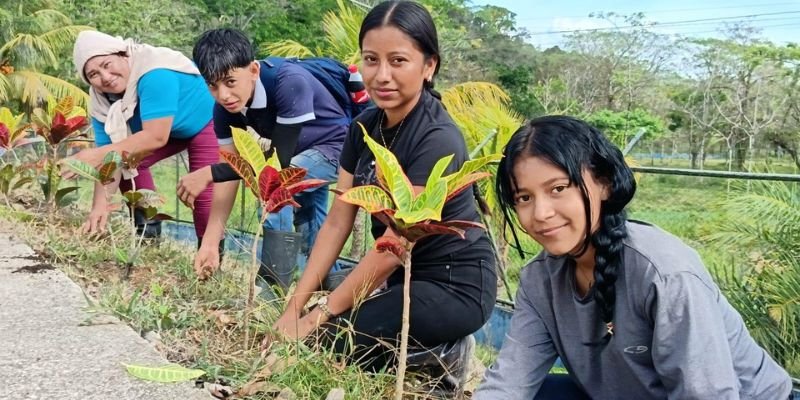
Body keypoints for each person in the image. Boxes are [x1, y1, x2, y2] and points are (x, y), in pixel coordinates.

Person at [474, 115, 793, 399]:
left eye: (558, 188)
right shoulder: (539, 279)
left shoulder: (664, 273)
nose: (541, 213)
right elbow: (510, 382)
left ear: (605, 183)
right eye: (524, 197)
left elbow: (706, 392)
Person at [269, 0, 497, 374]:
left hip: (454, 286)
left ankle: (446, 354)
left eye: (398, 61)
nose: (381, 75)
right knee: (313, 332)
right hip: (400, 280)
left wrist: (317, 315)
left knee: (325, 342)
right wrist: (295, 306)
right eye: (371, 60)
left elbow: (394, 245)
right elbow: (337, 221)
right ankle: (419, 349)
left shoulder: (437, 138)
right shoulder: (363, 126)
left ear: (429, 66)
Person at [183, 28, 347, 285]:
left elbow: (276, 166)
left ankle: (272, 285)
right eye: (212, 86)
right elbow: (229, 171)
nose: (223, 95)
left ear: (254, 70)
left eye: (230, 81)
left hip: (338, 147)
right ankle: (333, 288)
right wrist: (211, 241)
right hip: (301, 154)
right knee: (311, 222)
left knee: (273, 189)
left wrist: (208, 173)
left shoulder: (289, 82)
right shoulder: (225, 110)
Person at [69, 30, 218, 245]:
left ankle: (210, 257)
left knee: (203, 194)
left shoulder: (155, 73)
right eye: (93, 74)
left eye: (106, 64)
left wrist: (95, 155)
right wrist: (99, 207)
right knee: (127, 166)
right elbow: (110, 161)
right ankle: (148, 238)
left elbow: (155, 137)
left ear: (123, 54)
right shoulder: (100, 99)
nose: (105, 77)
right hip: (159, 129)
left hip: (201, 121)